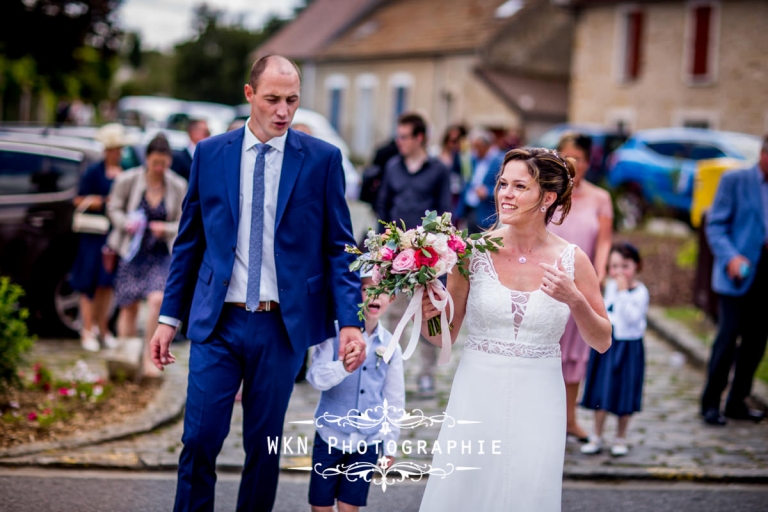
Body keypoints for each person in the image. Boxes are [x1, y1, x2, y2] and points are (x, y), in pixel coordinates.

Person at [148, 55, 366, 512]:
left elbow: (339, 246)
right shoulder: (210, 154)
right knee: (200, 438)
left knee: (264, 447)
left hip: (281, 327)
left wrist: (351, 321)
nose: (283, 111)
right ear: (250, 96)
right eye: (272, 99)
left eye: (292, 100)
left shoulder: (322, 160)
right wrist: (169, 318)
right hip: (218, 320)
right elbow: (190, 243)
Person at [418, 147, 612, 511]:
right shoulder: (471, 253)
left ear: (547, 197)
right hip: (476, 392)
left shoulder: (573, 260)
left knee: (528, 488)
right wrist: (429, 312)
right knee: (465, 489)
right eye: (502, 183)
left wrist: (575, 300)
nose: (505, 194)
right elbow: (444, 336)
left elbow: (602, 340)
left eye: (520, 186)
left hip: (540, 397)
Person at [306, 271, 405, 512]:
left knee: (349, 507)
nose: (374, 294)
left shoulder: (391, 345)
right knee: (321, 506)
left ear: (391, 298)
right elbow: (315, 378)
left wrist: (390, 445)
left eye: (382, 289)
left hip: (368, 440)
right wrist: (342, 368)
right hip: (330, 435)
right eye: (366, 288)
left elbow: (395, 398)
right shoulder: (334, 335)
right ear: (353, 295)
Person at [375, 112, 452, 396]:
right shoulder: (393, 166)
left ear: (420, 138)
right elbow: (383, 207)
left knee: (429, 312)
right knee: (395, 313)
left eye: (404, 137)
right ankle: (392, 366)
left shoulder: (438, 170)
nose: (399, 142)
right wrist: (384, 247)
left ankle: (427, 373)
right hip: (398, 253)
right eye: (398, 136)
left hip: (428, 254)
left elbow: (445, 212)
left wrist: (435, 248)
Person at [548, 132, 614, 442]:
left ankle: (568, 419)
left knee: (574, 354)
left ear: (588, 162)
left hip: (580, 284)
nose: (573, 163)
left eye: (579, 158)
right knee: (547, 348)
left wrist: (598, 275)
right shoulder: (547, 194)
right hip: (546, 280)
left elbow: (603, 241)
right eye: (566, 157)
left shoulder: (600, 198)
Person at [700, 134, 768, 426]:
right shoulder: (735, 181)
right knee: (727, 340)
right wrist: (732, 258)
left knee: (756, 343)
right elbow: (715, 226)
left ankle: (737, 401)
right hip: (738, 273)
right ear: (763, 154)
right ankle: (711, 403)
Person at [107, 134, 188, 378]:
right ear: (147, 159)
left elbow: (185, 221)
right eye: (155, 163)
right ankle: (126, 359)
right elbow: (113, 207)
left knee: (157, 300)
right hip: (132, 252)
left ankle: (149, 356)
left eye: (164, 163)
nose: (159, 168)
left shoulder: (177, 185)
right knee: (128, 307)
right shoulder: (128, 180)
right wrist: (125, 223)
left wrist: (166, 229)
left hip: (160, 253)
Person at [580, 243, 649, 456]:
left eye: (625, 266)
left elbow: (631, 318)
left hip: (629, 347)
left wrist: (624, 293)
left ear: (636, 266)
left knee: (624, 391)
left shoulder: (640, 293)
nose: (619, 272)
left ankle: (620, 437)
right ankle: (597, 435)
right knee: (602, 389)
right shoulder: (610, 287)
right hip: (608, 344)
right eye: (614, 266)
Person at [70, 123, 128, 352]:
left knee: (107, 283)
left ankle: (103, 327)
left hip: (112, 236)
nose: (118, 153)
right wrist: (102, 202)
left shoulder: (124, 172)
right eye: (115, 149)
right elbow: (78, 200)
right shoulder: (94, 171)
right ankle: (87, 328)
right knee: (89, 283)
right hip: (93, 236)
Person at [458, 129, 504, 233]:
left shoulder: (499, 161)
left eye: (478, 148)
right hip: (470, 208)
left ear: (486, 146)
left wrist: (487, 191)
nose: (475, 151)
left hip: (486, 212)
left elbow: (503, 187)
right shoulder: (473, 160)